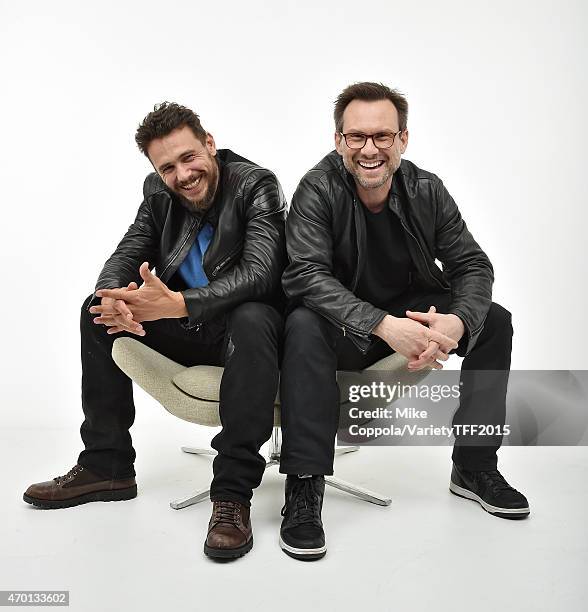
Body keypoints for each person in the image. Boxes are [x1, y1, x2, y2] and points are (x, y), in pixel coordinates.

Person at [23, 102, 286, 560]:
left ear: (209, 144)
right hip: (190, 325)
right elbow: (128, 251)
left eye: (188, 158)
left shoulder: (255, 184)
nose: (182, 175)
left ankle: (231, 494)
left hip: (251, 335)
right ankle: (107, 465)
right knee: (96, 311)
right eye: (167, 167)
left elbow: (261, 274)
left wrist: (179, 303)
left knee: (254, 314)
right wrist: (114, 299)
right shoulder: (159, 194)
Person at [278, 82, 529, 561]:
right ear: (338, 141)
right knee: (302, 326)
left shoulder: (426, 188)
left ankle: (474, 467)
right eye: (356, 137)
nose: (369, 149)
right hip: (344, 323)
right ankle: (305, 484)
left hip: (413, 310)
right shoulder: (317, 188)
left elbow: (472, 265)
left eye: (382, 136)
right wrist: (384, 326)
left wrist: (459, 322)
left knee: (493, 322)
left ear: (403, 140)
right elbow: (305, 276)